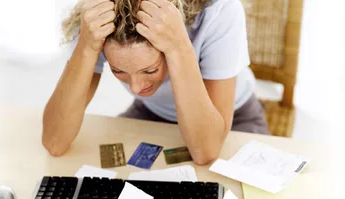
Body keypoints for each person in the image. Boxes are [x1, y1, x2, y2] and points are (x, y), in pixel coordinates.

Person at [42, 0, 270, 165]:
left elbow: (206, 151)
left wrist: (179, 46)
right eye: (118, 71)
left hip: (234, 116)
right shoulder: (96, 22)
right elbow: (54, 142)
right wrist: (86, 47)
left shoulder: (219, 11)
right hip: (151, 111)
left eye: (150, 70)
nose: (136, 88)